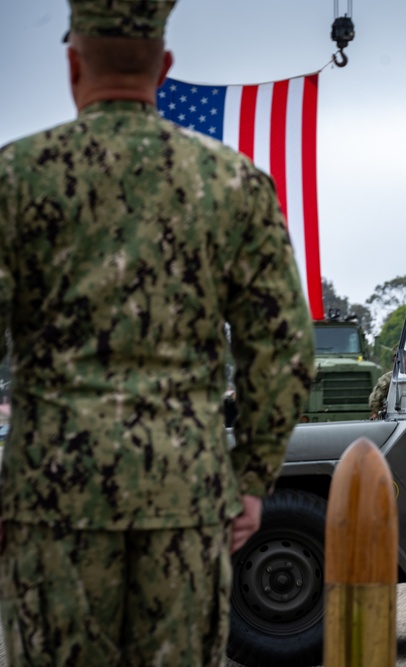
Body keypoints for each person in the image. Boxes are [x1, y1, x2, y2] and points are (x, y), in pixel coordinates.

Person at [0, 3, 315, 664]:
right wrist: (252, 476)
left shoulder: (18, 177)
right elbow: (283, 349)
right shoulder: (231, 182)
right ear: (165, 67)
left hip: (54, 498)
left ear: (71, 62)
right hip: (189, 497)